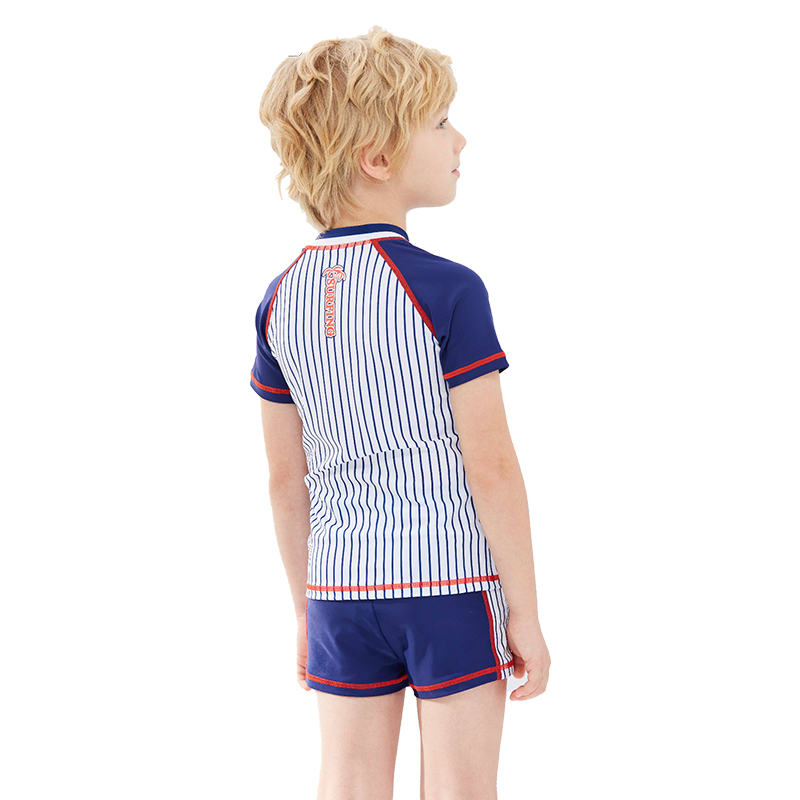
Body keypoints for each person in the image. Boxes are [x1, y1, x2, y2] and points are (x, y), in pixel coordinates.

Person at [250, 26, 550, 800]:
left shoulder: (279, 301)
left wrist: (306, 611)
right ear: (378, 158)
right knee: (460, 787)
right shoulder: (447, 290)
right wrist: (525, 612)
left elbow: (285, 478)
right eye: (441, 122)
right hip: (448, 579)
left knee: (346, 783)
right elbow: (491, 466)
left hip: (340, 592)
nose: (460, 139)